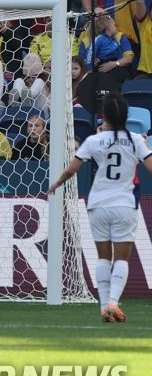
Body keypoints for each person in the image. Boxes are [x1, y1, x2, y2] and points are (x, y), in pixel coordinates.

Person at [49, 93, 152, 322]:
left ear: (104, 117)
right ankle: (114, 302)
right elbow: (150, 166)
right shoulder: (136, 139)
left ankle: (104, 306)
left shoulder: (94, 141)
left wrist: (57, 182)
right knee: (122, 259)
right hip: (124, 204)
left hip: (98, 204)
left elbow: (72, 170)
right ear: (126, 116)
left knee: (103, 258)